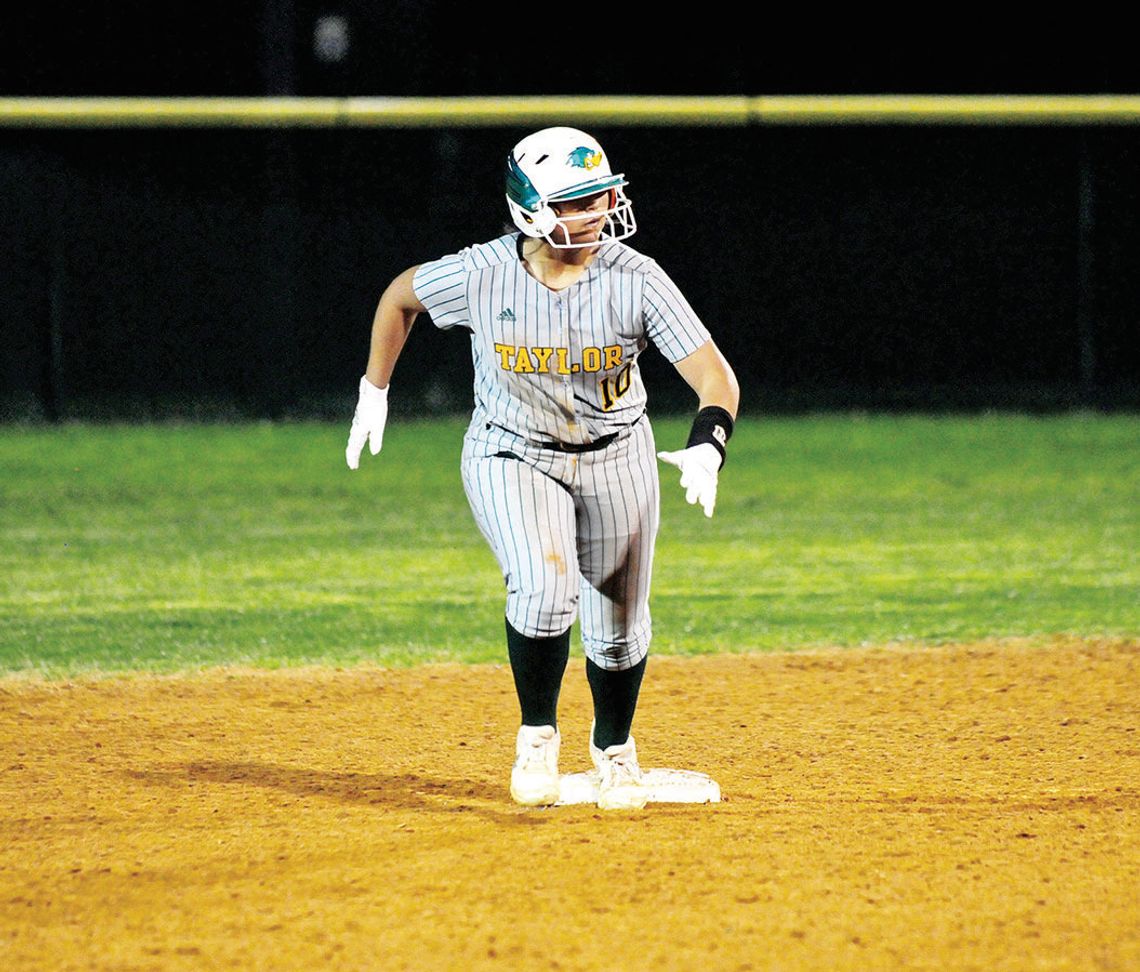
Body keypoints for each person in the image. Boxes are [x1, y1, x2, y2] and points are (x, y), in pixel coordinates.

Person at [346, 126, 739, 810]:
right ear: (532, 209)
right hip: (512, 451)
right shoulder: (483, 272)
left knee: (619, 624)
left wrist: (710, 442)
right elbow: (400, 297)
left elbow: (714, 376)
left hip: (616, 455)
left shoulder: (635, 277)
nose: (598, 210)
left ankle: (615, 750)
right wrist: (374, 388)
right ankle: (537, 737)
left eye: (600, 195)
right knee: (543, 586)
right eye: (577, 201)